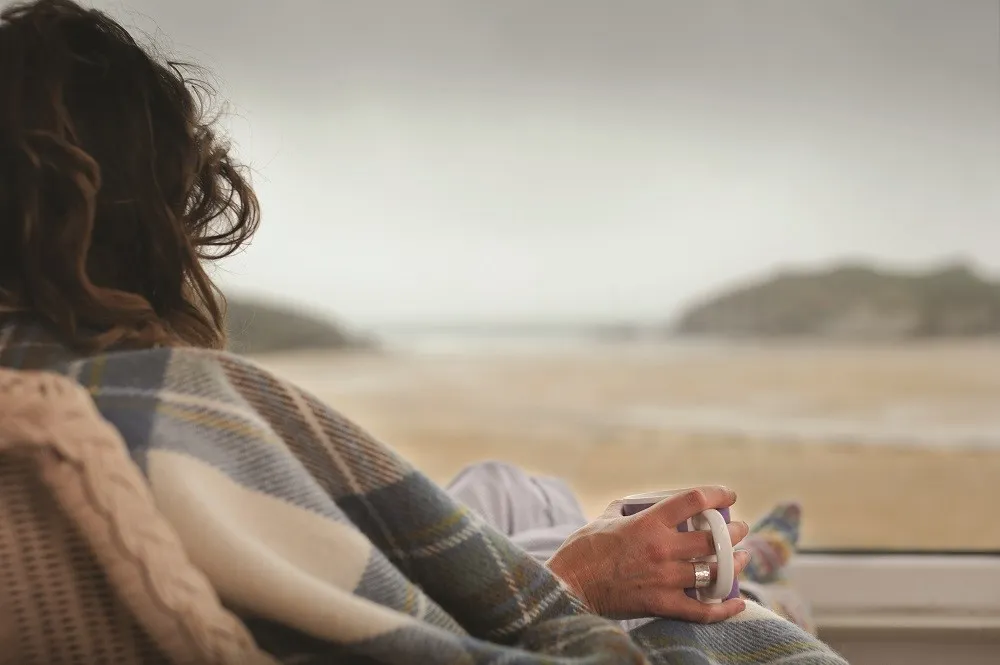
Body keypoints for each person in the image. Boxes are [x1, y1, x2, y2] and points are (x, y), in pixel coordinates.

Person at [0, 2, 846, 663]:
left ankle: (719, 553)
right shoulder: (144, 407)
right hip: (493, 607)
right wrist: (588, 578)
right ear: (146, 221)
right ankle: (755, 564)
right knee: (665, 574)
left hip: (381, 573)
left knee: (505, 490)